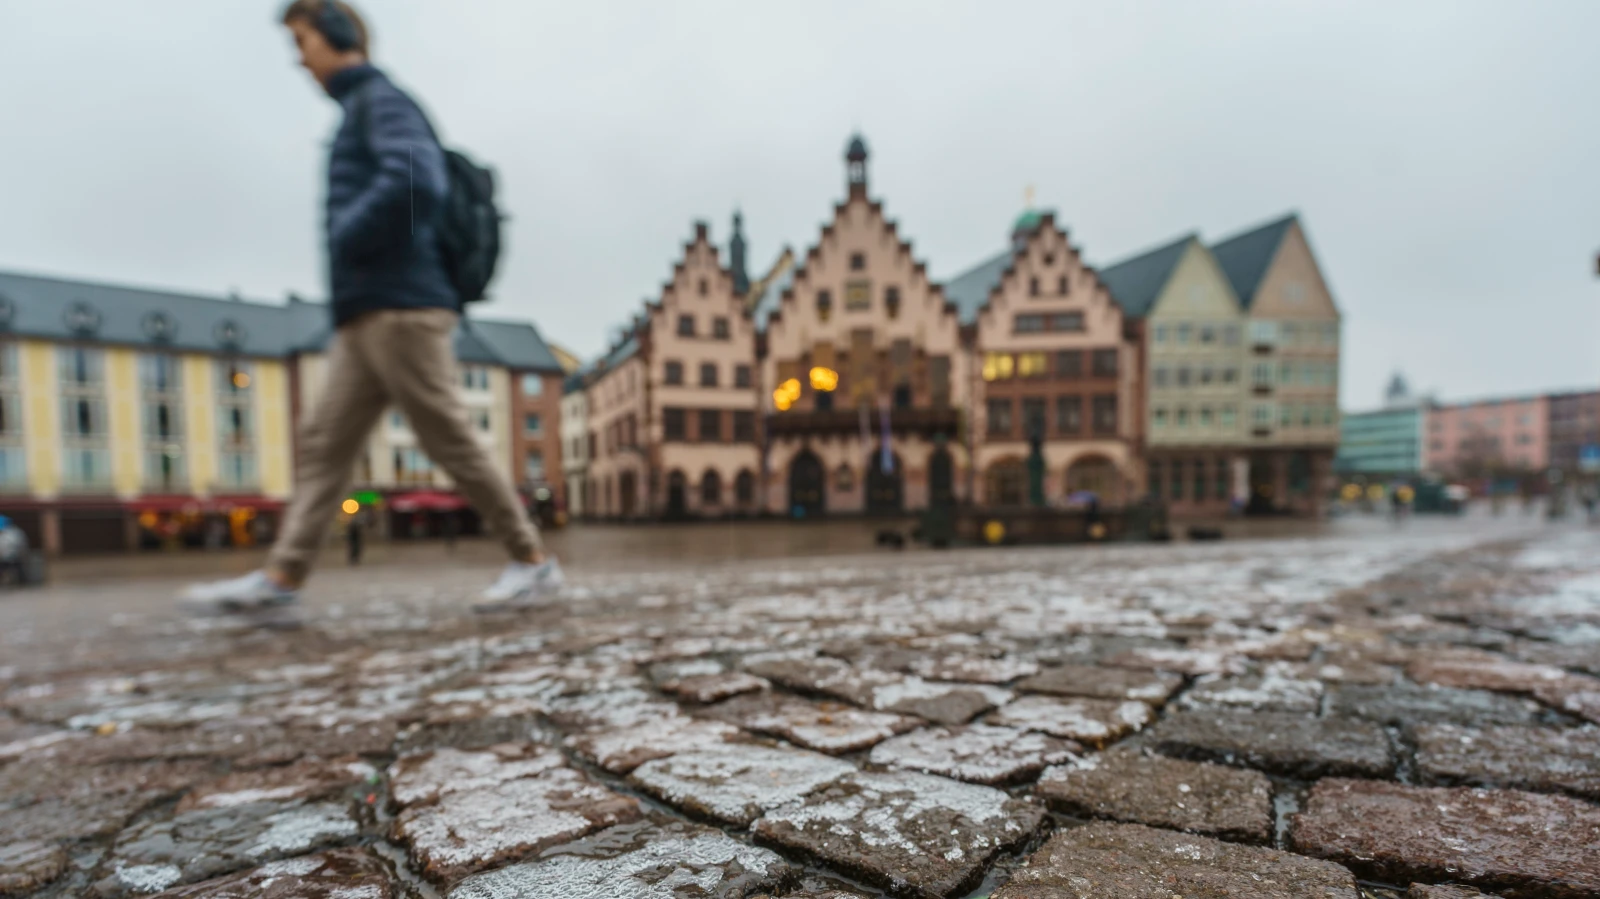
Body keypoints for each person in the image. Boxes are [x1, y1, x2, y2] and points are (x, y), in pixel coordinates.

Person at [183, 0, 560, 618]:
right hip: (366, 313)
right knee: (325, 445)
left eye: (303, 43)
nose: (299, 61)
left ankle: (533, 560)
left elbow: (418, 181)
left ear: (337, 36)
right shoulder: (361, 108)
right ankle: (282, 578)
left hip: (402, 306)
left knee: (448, 437)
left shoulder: (383, 102)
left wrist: (349, 236)